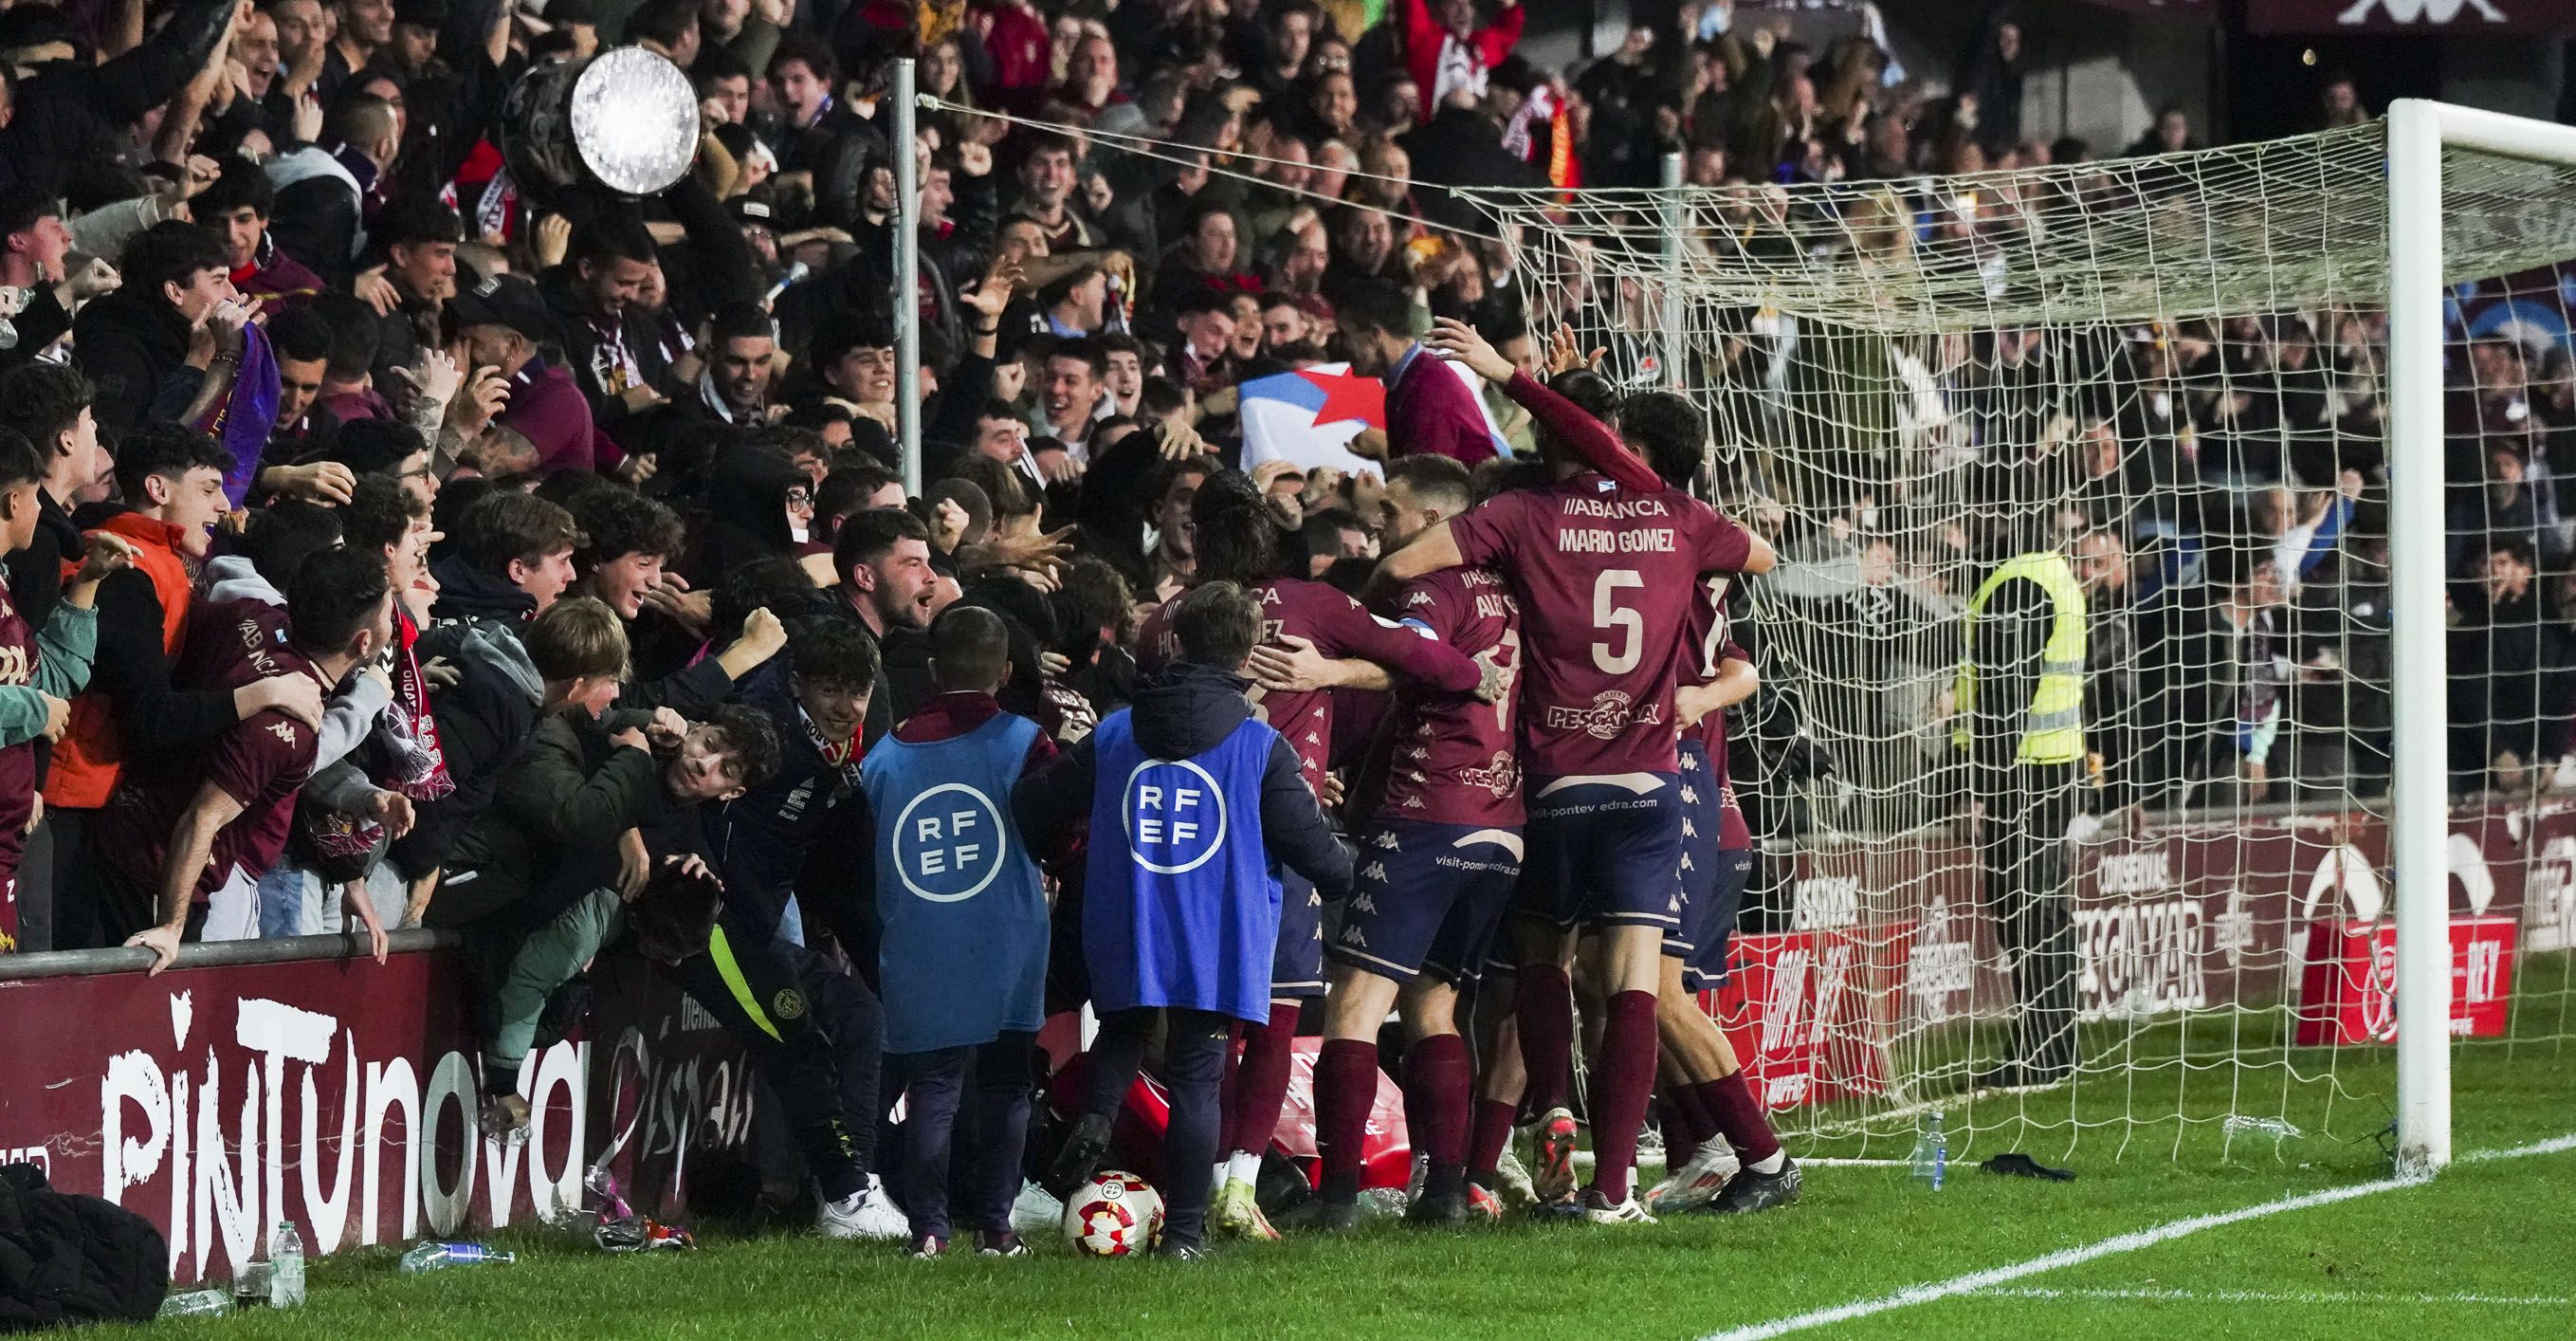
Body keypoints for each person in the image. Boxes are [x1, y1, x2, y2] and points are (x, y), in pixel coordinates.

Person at [1371, 321, 1780, 1224]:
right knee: (1632, 982)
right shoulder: (1682, 526)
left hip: (1547, 776)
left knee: (1545, 966)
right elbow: (1759, 568)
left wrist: (1505, 374)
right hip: (1657, 780)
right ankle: (1620, 1182)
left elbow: (1400, 565)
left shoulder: (1519, 519)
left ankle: (1575, 1132)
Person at [1015, 580, 1355, 1260]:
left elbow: (1031, 804)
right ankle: (1187, 1235)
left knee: (1122, 1029)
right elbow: (1318, 856)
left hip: (1125, 914)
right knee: (1197, 1074)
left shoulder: (1115, 731)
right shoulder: (1259, 747)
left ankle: (1095, 1117)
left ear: (1175, 642)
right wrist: (1347, 863)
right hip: (1216, 927)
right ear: (1250, 652)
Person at [1283, 451, 1524, 1229]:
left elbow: (1404, 660)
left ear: (1430, 520)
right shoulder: (1523, 591)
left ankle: (1338, 1199)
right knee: (1435, 1005)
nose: (1376, 525)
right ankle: (1445, 1190)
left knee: (1355, 1005)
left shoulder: (1433, 587)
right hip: (1502, 826)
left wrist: (1325, 668)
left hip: (1426, 816)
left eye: (1389, 513)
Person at [860, 606, 1052, 1258]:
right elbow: (1060, 833)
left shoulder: (882, 757)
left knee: (933, 1087)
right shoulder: (1027, 742)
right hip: (1009, 935)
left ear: (934, 670)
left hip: (918, 935)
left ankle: (930, 1229)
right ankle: (997, 1227)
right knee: (1005, 1085)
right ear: (1002, 672)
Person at [100, 548, 395, 966]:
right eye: (387, 614)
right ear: (364, 641)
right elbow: (202, 817)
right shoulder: (288, 727)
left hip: (120, 826)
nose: (393, 622)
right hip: (154, 875)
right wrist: (170, 926)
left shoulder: (250, 615)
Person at [1953, 525, 2088, 1086]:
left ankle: (2043, 1051)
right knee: (2040, 908)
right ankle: (2053, 1044)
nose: (1959, 531)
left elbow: (2006, 695)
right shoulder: (2054, 573)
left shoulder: (2019, 584)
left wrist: (1985, 785)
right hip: (2052, 763)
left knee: (2025, 908)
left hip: (2025, 772)